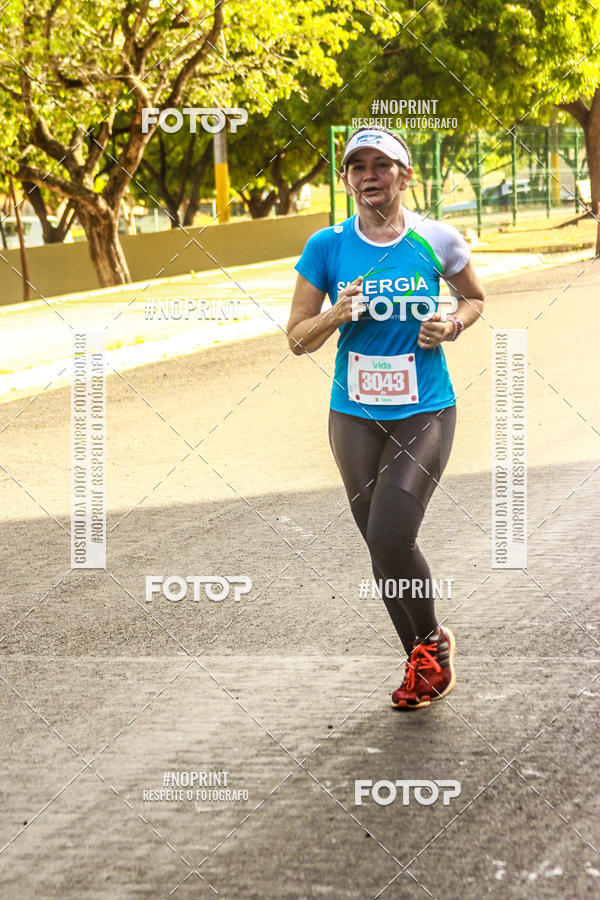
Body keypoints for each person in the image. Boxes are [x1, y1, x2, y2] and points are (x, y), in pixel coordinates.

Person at [287, 127, 485, 710]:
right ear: (346, 179)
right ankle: (422, 657)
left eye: (382, 165)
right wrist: (335, 315)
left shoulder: (437, 238)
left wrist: (451, 325)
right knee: (380, 547)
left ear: (405, 175)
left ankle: (431, 647)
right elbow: (297, 338)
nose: (369, 175)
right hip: (353, 414)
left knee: (390, 535)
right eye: (358, 167)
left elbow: (474, 298)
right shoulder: (326, 246)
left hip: (425, 408)